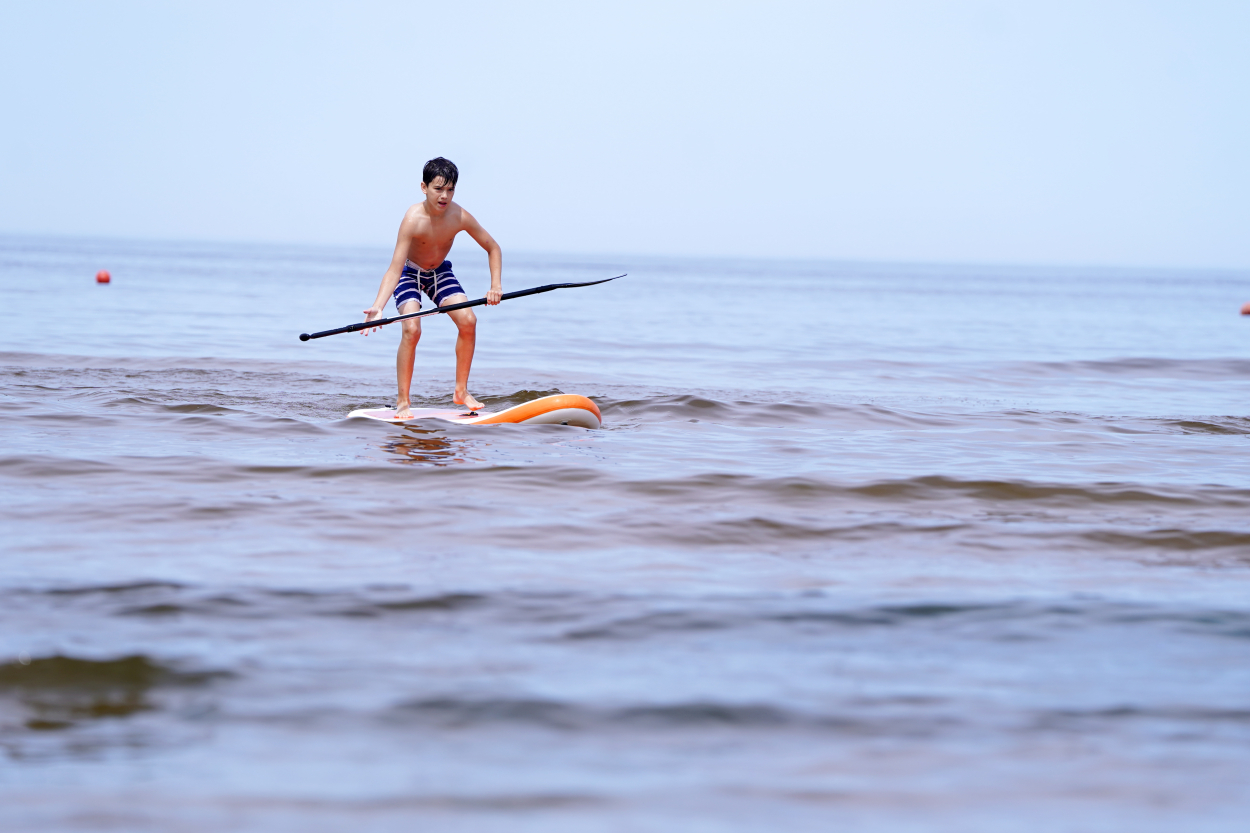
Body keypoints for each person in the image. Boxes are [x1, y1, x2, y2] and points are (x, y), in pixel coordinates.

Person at [363, 157, 502, 418]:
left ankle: (461, 391)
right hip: (409, 274)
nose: (444, 196)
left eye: (450, 190)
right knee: (412, 328)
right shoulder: (413, 218)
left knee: (468, 320)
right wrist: (378, 307)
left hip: (439, 273)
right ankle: (403, 401)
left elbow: (493, 248)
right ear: (424, 187)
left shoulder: (459, 216)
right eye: (438, 189)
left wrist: (495, 286)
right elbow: (394, 268)